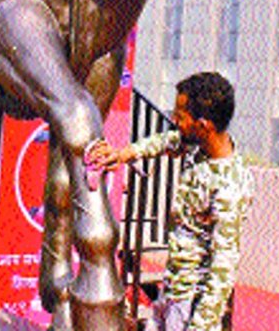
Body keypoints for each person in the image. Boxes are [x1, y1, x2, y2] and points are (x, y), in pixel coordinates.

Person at [85, 72, 254, 331]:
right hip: (171, 289)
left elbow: (224, 267)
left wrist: (200, 326)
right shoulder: (199, 146)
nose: (174, 121)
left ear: (204, 124)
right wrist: (122, 154)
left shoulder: (230, 185)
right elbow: (167, 141)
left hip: (190, 306)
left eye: (180, 116)